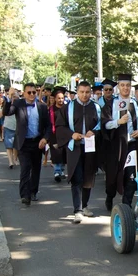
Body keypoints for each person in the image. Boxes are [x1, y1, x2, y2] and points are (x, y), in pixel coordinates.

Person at [56, 81, 102, 223]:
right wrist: (71, 134)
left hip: (90, 147)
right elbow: (59, 126)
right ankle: (78, 209)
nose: (84, 95)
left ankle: (85, 205)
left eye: (87, 92)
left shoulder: (96, 107)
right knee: (77, 178)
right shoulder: (67, 107)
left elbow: (102, 125)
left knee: (88, 176)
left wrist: (94, 131)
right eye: (82, 92)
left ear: (91, 92)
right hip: (74, 147)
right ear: (77, 92)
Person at [2, 82, 51, 206]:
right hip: (23, 142)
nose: (31, 95)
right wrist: (9, 97)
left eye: (34, 92)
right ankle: (25, 195)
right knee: (25, 168)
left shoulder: (42, 107)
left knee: (36, 169)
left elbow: (48, 126)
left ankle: (33, 191)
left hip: (37, 142)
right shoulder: (18, 104)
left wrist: (45, 139)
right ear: (24, 93)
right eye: (29, 92)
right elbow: (6, 112)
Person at [101, 73, 138, 211]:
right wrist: (117, 122)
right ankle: (109, 196)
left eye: (128, 85)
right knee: (112, 177)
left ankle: (126, 205)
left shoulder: (136, 104)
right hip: (115, 146)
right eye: (122, 85)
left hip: (131, 146)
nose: (125, 88)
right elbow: (104, 124)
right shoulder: (110, 104)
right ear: (118, 86)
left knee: (131, 177)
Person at [48, 87, 68, 181]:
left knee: (63, 153)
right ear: (55, 99)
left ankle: (62, 170)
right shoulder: (51, 110)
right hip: (54, 134)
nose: (61, 100)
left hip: (64, 134)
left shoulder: (67, 108)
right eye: (59, 98)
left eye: (62, 98)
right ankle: (57, 171)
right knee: (56, 153)